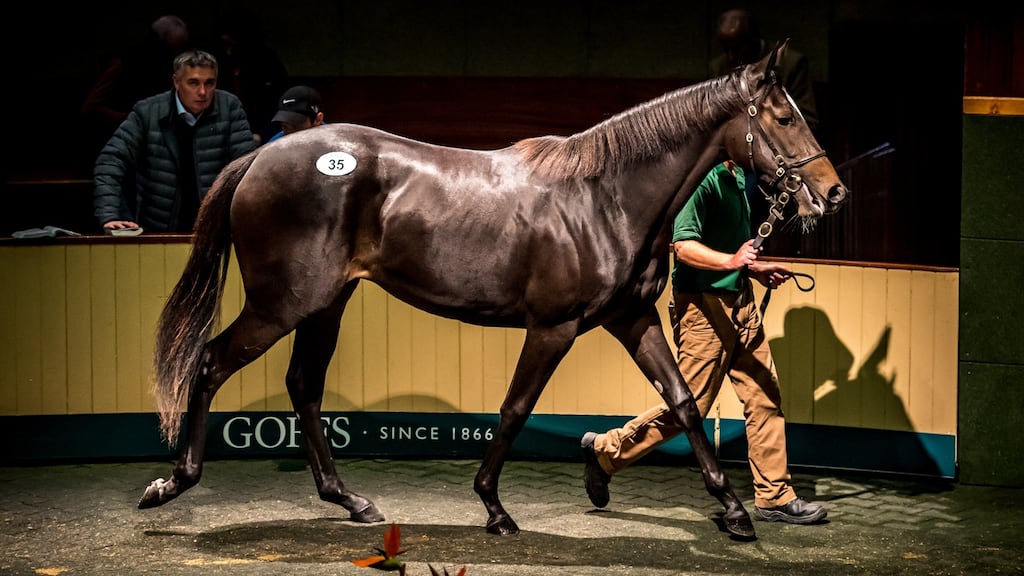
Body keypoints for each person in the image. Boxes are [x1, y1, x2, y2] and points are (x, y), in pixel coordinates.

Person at [581, 160, 828, 524]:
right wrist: (732, 261)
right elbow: (683, 246)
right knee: (689, 408)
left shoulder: (738, 175)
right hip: (702, 309)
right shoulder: (703, 180)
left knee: (765, 396)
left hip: (741, 303)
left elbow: (729, 248)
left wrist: (752, 268)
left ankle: (774, 495)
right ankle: (606, 451)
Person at [93, 49, 258, 233]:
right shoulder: (148, 112)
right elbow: (110, 160)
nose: (203, 92)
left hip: (215, 226)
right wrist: (110, 215)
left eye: (209, 83)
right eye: (193, 82)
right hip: (157, 228)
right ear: (176, 82)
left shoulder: (229, 106)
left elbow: (246, 166)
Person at [81, 15, 192, 162]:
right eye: (170, 50)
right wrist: (130, 118)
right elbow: (91, 106)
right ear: (157, 44)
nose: (174, 57)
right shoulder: (124, 65)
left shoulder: (167, 69)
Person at [709, 8, 818, 132]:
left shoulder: (790, 64)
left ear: (754, 39)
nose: (730, 56)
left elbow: (807, 121)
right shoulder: (719, 67)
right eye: (725, 48)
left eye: (736, 48)